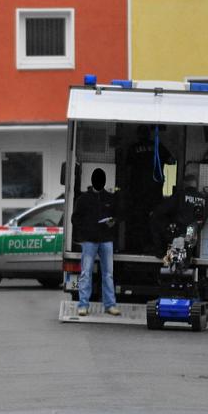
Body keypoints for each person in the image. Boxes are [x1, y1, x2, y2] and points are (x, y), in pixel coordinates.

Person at [71, 168, 120, 317]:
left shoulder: (110, 198)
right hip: (89, 241)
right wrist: (85, 232)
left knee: (108, 274)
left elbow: (116, 216)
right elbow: (75, 219)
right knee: (86, 273)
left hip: (106, 240)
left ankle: (110, 305)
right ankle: (83, 305)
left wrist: (113, 222)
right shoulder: (83, 199)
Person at [125, 125, 175, 252]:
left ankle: (137, 247)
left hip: (137, 192)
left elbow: (127, 168)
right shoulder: (157, 146)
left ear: (138, 135)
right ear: (149, 134)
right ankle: (154, 246)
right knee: (154, 219)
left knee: (138, 220)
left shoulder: (133, 148)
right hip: (155, 191)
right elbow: (172, 161)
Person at [149, 174, 208, 257]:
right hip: (192, 236)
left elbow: (161, 210)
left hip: (177, 234)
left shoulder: (180, 195)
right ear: (196, 185)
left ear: (184, 185)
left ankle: (160, 252)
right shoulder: (204, 198)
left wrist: (154, 213)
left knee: (155, 219)